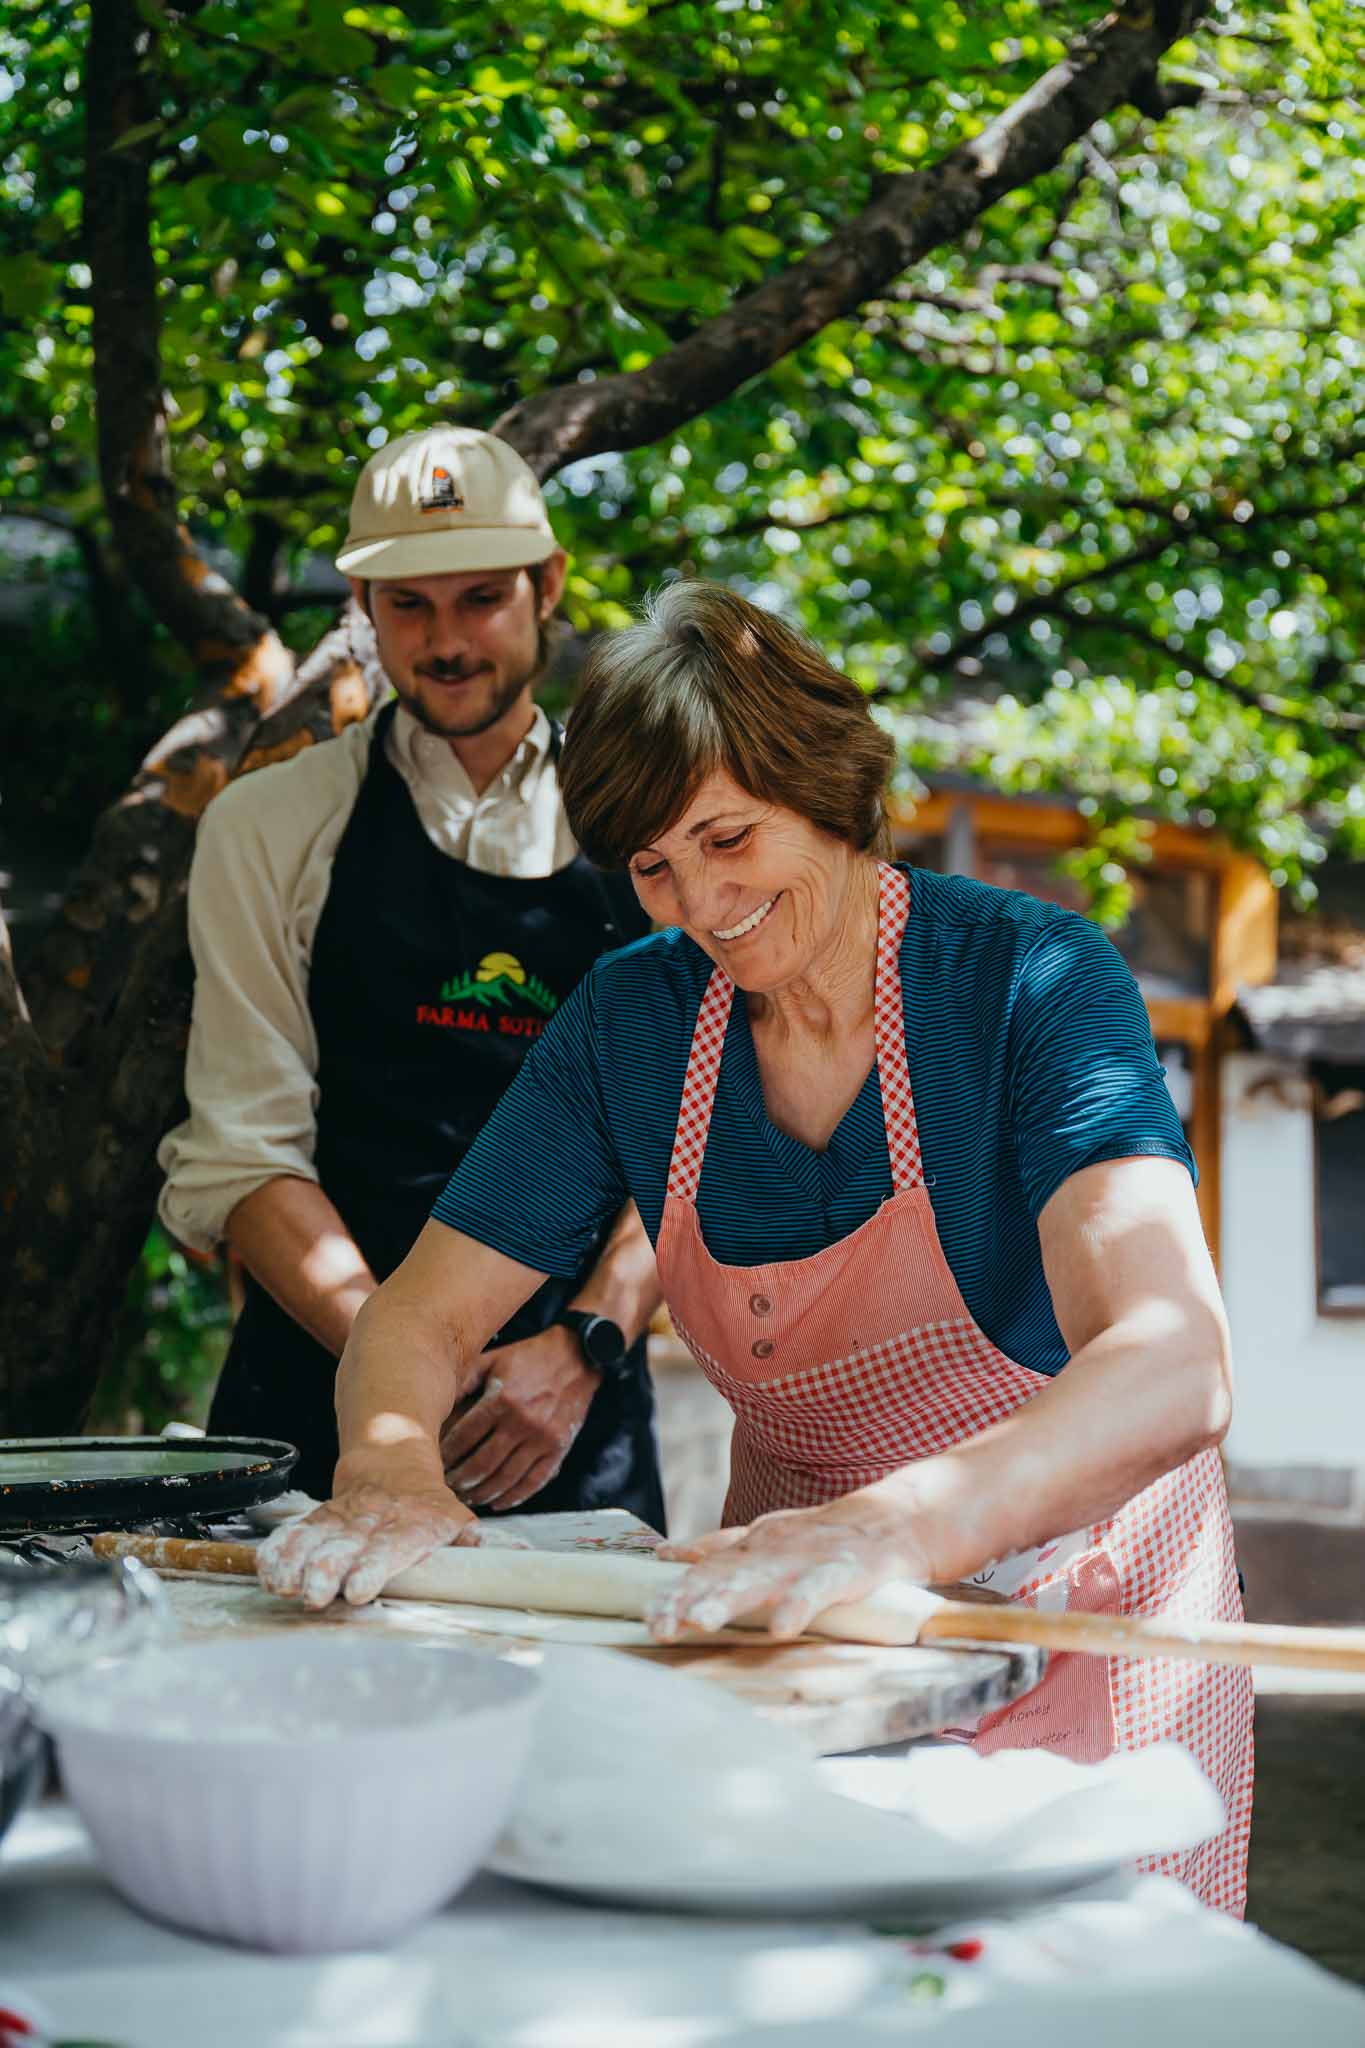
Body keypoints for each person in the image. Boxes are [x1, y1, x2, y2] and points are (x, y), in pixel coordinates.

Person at [259, 581, 1253, 1915]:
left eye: (728, 837)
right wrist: (390, 1472)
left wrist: (888, 1529)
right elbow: (416, 1320)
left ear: (831, 789)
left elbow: (1171, 1363)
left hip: (1068, 1617)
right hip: (796, 1633)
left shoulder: (1029, 982)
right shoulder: (636, 1023)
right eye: (654, 868)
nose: (700, 906)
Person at [158, 426, 664, 1524]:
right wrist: (402, 1365)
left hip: (572, 1416)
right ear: (364, 607)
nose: (445, 642)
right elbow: (243, 1148)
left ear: (548, 585)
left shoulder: (653, 828)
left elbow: (691, 1144)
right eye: (408, 606)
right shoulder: (271, 824)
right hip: (316, 1399)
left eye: (480, 598)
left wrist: (582, 1346)